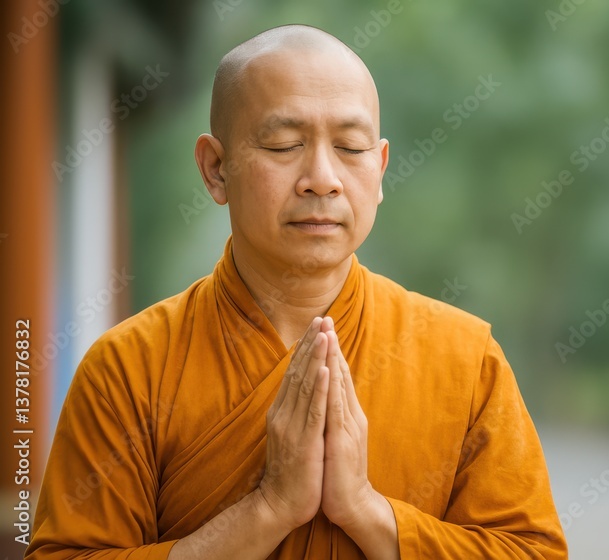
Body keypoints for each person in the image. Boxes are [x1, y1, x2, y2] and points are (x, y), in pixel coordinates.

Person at [26, 24, 567, 559]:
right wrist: (268, 510)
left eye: (351, 148)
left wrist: (365, 510)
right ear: (216, 170)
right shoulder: (126, 369)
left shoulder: (465, 361)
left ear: (379, 171)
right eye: (285, 145)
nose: (322, 178)